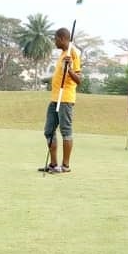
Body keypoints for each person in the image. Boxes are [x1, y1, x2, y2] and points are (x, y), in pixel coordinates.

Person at [38, 27, 81, 173]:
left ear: (62, 39)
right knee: (49, 130)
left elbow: (79, 80)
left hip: (66, 98)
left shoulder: (73, 54)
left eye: (55, 39)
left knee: (65, 131)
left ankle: (65, 166)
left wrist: (69, 69)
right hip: (55, 98)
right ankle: (53, 164)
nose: (54, 42)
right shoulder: (63, 53)